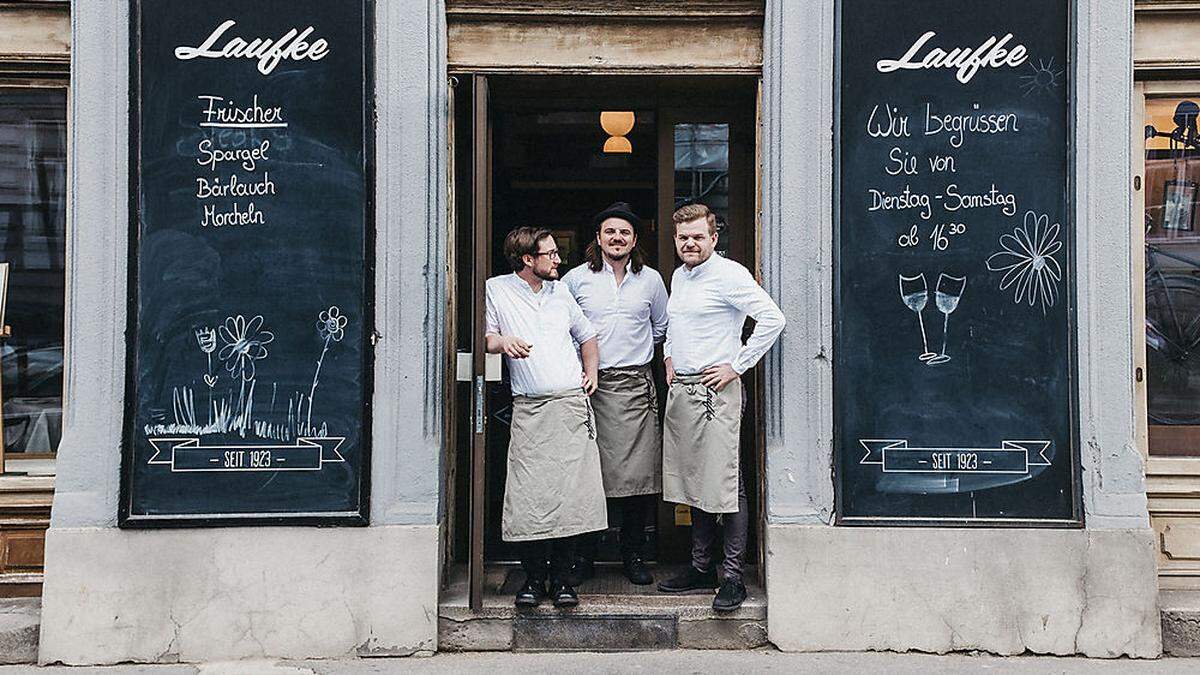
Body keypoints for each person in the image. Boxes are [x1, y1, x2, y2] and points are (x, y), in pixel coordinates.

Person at [657, 203, 785, 612]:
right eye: (683, 238)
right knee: (693, 482)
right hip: (685, 390)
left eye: (698, 236)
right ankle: (700, 568)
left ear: (714, 238)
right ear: (675, 240)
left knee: (727, 484)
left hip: (717, 392)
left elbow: (772, 319)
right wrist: (669, 355)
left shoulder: (730, 275)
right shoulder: (679, 276)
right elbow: (676, 327)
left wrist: (737, 365)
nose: (690, 243)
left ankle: (732, 577)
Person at [485, 226, 607, 608]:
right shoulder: (497, 289)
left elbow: (587, 337)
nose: (558, 259)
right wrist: (503, 343)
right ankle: (534, 581)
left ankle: (563, 581)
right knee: (530, 499)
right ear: (527, 260)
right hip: (530, 409)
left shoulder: (562, 292)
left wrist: (592, 373)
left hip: (570, 405)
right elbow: (485, 338)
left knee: (571, 497)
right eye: (550, 254)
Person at [562, 202, 669, 586]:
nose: (617, 238)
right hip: (590, 386)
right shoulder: (576, 280)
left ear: (634, 239)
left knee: (638, 481)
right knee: (589, 476)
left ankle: (633, 555)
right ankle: (584, 557)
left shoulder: (652, 281)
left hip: (636, 387)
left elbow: (661, 329)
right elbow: (565, 331)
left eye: (624, 232)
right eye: (610, 231)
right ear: (598, 237)